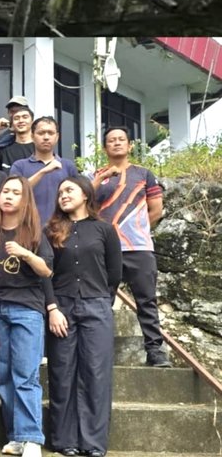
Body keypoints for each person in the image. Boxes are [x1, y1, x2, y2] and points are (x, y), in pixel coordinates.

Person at [45, 177, 122, 457]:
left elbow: (114, 273)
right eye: (60, 192)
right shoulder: (51, 230)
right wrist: (52, 307)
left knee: (96, 374)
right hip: (61, 307)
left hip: (96, 306)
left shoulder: (105, 230)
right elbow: (45, 273)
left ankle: (93, 443)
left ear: (85, 194)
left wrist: (100, 301)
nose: (63, 196)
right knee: (62, 371)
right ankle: (64, 440)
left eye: (69, 190)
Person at [0, 175, 55, 457]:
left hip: (26, 310)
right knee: (2, 375)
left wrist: (26, 253)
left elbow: (46, 270)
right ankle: (15, 436)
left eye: (15, 192)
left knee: (25, 374)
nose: (8, 196)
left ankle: (32, 438)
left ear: (25, 200)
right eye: (5, 191)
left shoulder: (33, 233)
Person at [90, 127, 170, 367]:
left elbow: (156, 210)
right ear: (105, 147)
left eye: (121, 139)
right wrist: (99, 179)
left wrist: (134, 229)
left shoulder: (144, 174)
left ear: (130, 145)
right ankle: (98, 351)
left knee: (146, 300)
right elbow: (85, 204)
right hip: (104, 250)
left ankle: (154, 351)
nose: (116, 143)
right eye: (111, 140)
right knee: (101, 301)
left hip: (139, 247)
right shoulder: (96, 175)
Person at [9, 117, 78, 222]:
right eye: (41, 133)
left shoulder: (68, 166)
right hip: (28, 226)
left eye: (50, 133)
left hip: (63, 226)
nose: (46, 137)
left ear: (57, 137)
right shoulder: (19, 166)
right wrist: (43, 171)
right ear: (32, 136)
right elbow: (15, 193)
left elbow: (79, 197)